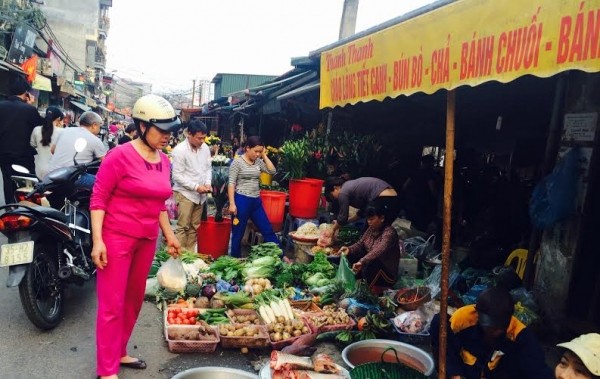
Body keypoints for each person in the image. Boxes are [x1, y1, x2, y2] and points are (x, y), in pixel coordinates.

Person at [90, 94, 182, 379]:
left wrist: (170, 236)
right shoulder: (119, 156)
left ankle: (119, 352)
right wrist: (98, 241)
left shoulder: (164, 161)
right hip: (116, 238)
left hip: (146, 240)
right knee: (112, 304)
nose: (167, 136)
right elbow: (99, 199)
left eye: (171, 130)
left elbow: (159, 205)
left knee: (132, 300)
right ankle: (106, 370)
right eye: (162, 130)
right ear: (142, 126)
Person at [430, 286, 553, 379]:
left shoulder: (520, 336)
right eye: (490, 326)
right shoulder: (461, 320)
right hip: (468, 370)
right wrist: (454, 374)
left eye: (499, 326)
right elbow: (448, 351)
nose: (495, 331)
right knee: (438, 322)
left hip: (497, 373)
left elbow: (539, 371)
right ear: (477, 313)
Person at [228, 136, 279, 258]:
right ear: (247, 148)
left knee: (267, 229)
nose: (257, 154)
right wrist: (232, 203)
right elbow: (231, 183)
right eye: (255, 151)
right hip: (242, 200)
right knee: (237, 233)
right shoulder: (237, 162)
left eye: (260, 151)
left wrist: (264, 156)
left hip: (256, 201)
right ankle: (235, 262)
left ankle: (279, 255)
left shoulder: (258, 161)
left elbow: (272, 171)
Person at [339, 199, 401, 291]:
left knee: (373, 262)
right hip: (369, 266)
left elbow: (378, 250)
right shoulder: (371, 229)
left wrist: (362, 261)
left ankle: (363, 292)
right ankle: (353, 283)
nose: (369, 222)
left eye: (372, 219)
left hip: (387, 275)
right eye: (368, 219)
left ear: (382, 218)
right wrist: (349, 249)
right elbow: (360, 244)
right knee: (352, 255)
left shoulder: (389, 233)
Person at [0, 76, 44, 203]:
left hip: (4, 155)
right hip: (23, 155)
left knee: (8, 182)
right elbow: (39, 128)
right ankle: (25, 212)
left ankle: (10, 209)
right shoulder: (29, 109)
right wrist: (30, 105)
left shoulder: (1, 106)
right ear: (26, 93)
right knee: (27, 185)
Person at [171, 119, 212, 252]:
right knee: (182, 227)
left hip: (200, 196)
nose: (202, 141)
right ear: (189, 134)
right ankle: (178, 258)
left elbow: (207, 168)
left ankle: (189, 258)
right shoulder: (179, 150)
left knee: (194, 227)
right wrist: (195, 187)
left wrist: (207, 183)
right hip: (185, 194)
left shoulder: (205, 148)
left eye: (204, 138)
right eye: (199, 138)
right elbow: (177, 176)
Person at [324, 176, 398, 234]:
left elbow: (342, 218)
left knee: (369, 233)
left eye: (332, 195)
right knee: (379, 232)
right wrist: (348, 221)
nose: (335, 198)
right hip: (392, 198)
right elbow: (362, 212)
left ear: (335, 188)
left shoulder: (343, 192)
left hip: (384, 197)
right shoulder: (349, 186)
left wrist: (332, 230)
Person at [402, 154, 439, 232]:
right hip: (422, 203)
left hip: (411, 201)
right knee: (421, 225)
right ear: (430, 163)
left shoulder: (415, 171)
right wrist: (437, 199)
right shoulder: (430, 173)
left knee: (409, 223)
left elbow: (405, 186)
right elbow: (432, 188)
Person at [30, 106, 64, 179]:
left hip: (39, 169)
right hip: (56, 170)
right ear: (58, 118)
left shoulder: (36, 129)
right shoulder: (62, 132)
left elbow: (32, 144)